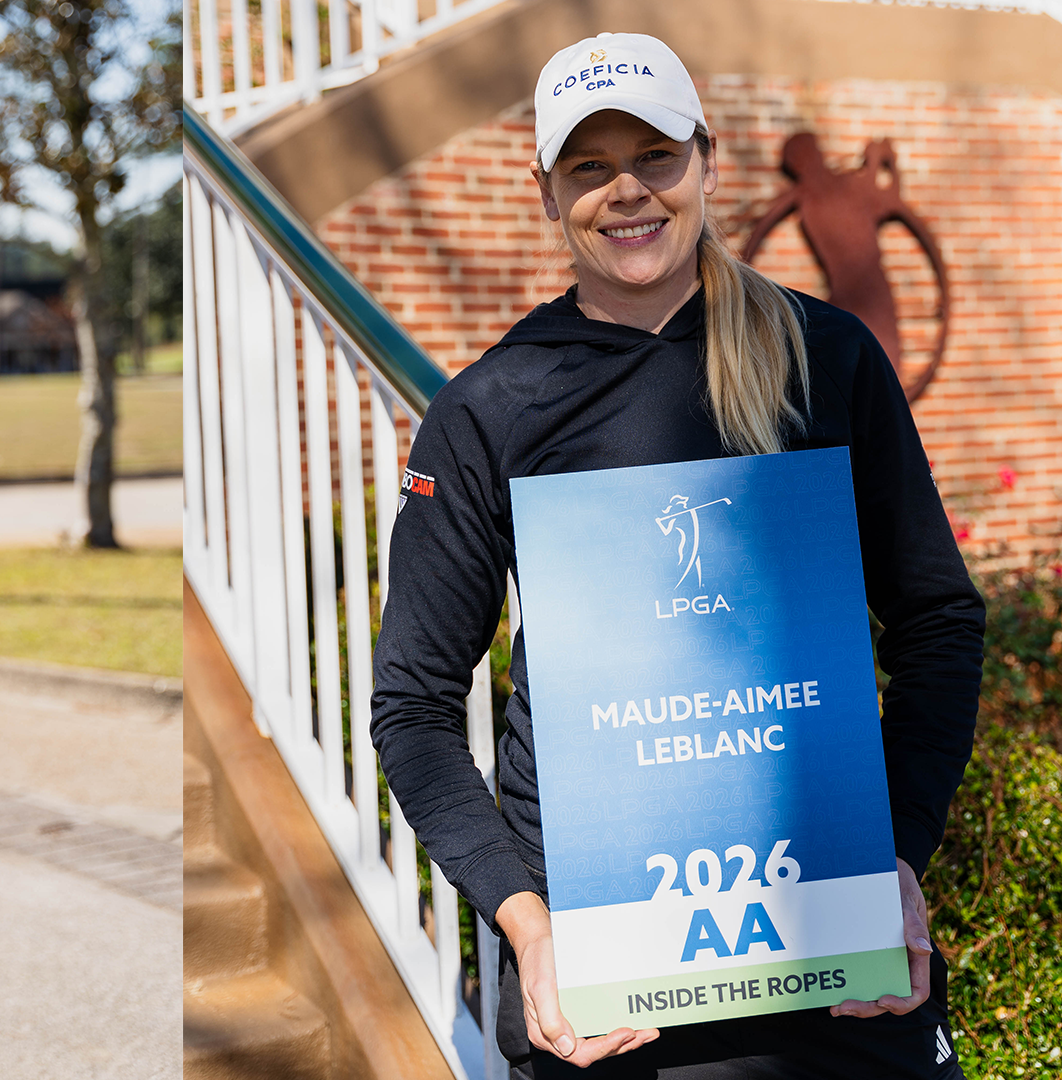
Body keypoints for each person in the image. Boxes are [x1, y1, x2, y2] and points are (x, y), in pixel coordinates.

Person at [368, 32, 984, 1078]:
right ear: (546, 191)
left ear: (707, 161)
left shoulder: (827, 358)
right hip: (609, 994)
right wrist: (527, 923)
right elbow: (415, 707)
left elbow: (938, 620)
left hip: (838, 961)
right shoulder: (489, 411)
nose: (627, 191)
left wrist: (896, 854)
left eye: (655, 155)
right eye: (590, 166)